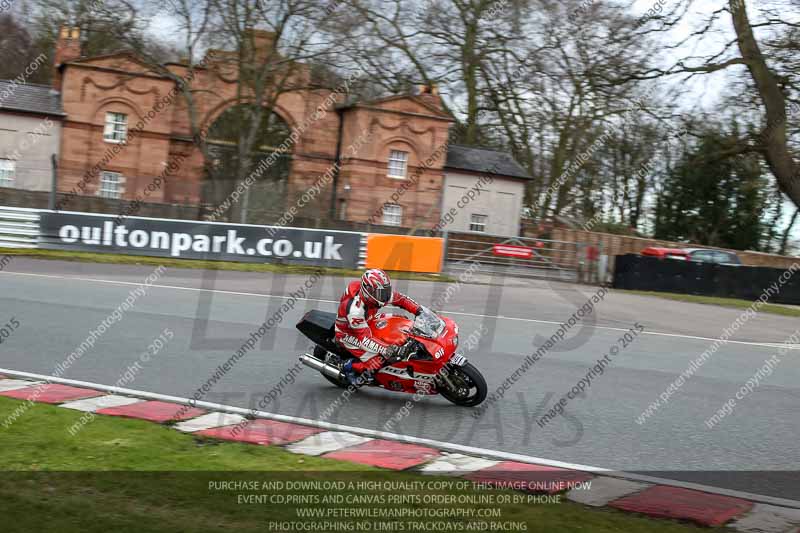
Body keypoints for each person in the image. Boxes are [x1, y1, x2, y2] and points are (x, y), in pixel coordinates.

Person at [334, 268, 421, 385]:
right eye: (381, 293)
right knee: (377, 362)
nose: (384, 296)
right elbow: (365, 339)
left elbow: (401, 299)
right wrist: (389, 349)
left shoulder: (376, 294)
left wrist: (419, 310)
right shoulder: (356, 310)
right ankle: (347, 365)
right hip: (349, 332)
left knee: (401, 319)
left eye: (386, 291)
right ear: (368, 291)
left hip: (368, 320)